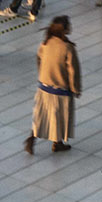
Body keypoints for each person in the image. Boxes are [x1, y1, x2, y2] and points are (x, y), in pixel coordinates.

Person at [25, 15, 82, 156]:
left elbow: (39, 60)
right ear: (64, 29)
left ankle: (32, 138)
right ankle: (57, 143)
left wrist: (42, 76)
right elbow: (73, 71)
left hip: (44, 87)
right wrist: (75, 89)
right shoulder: (67, 48)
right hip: (60, 90)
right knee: (60, 117)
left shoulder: (45, 43)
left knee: (41, 116)